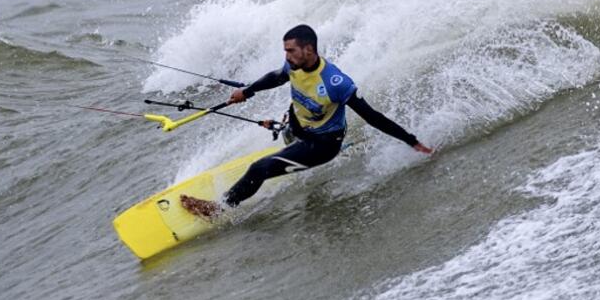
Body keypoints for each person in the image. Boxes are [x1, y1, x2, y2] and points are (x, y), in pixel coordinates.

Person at [180, 24, 432, 218]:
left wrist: (412, 141)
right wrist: (247, 91)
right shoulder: (294, 65)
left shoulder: (336, 83)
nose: (287, 55)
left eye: (290, 50)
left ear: (308, 49)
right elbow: (277, 77)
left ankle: (219, 208)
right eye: (285, 51)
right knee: (288, 124)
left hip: (322, 145)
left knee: (260, 169)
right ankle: (289, 138)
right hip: (300, 127)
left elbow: (373, 117)